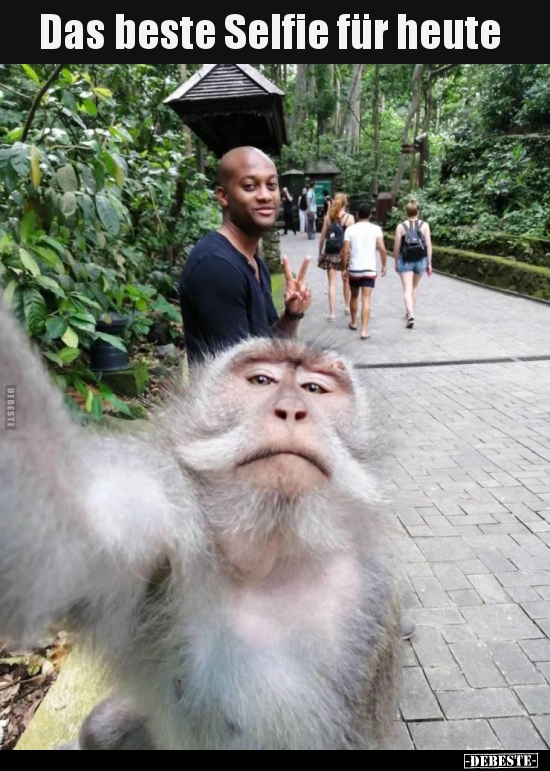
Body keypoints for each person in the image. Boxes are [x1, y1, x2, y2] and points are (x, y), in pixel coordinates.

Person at [178, 147, 312, 366]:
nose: (265, 195)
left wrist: (292, 315)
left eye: (272, 185)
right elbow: (240, 373)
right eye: (250, 186)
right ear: (223, 196)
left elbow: (267, 343)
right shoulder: (216, 266)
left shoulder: (255, 262)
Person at [341, 202, 388, 340]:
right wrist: (384, 264)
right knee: (366, 298)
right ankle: (364, 330)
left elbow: (345, 251)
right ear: (370, 215)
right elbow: (383, 249)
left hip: (355, 268)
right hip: (369, 268)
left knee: (354, 296)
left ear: (357, 214)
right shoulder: (376, 229)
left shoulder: (350, 230)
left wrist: (344, 268)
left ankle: (354, 322)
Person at [394, 200, 433, 329]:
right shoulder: (424, 225)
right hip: (421, 260)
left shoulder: (401, 226)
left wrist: (395, 261)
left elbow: (397, 246)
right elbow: (428, 245)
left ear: (406, 212)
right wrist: (429, 263)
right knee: (415, 287)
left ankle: (410, 314)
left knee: (407, 289)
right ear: (418, 211)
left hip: (405, 261)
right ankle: (410, 312)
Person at [318, 193, 355, 321]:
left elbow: (322, 237)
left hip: (330, 253)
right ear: (345, 203)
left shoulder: (329, 218)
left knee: (332, 283)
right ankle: (346, 307)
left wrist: (320, 253)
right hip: (344, 252)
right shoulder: (350, 218)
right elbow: (352, 239)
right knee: (346, 280)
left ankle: (332, 313)